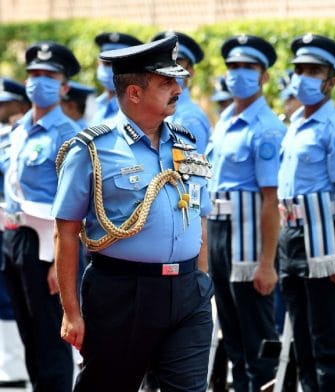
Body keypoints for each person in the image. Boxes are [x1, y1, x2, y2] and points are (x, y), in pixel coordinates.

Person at [53, 36, 214, 392]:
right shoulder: (92, 149)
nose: (178, 88)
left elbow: (199, 214)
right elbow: (66, 231)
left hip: (188, 293)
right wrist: (71, 310)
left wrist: (200, 279)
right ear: (135, 93)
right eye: (166, 82)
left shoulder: (186, 142)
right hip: (124, 293)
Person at [276, 33, 335, 392]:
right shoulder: (294, 123)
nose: (304, 77)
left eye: (314, 70)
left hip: (322, 238)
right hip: (290, 236)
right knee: (302, 342)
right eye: (299, 69)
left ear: (331, 79)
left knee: (326, 341)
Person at [1, 41, 80, 392]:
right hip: (15, 238)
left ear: (64, 87)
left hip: (48, 244)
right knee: (29, 335)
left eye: (49, 76)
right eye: (34, 74)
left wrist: (59, 264)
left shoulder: (68, 136)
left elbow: (76, 206)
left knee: (51, 340)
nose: (39, 81)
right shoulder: (19, 132)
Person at [207, 34, 284, 392]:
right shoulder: (224, 121)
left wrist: (267, 262)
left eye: (248, 68)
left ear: (264, 76)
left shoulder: (266, 128)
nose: (238, 74)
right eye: (233, 67)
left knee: (258, 339)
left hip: (250, 238)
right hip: (221, 233)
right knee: (233, 337)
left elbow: (272, 199)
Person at [0, 77, 30, 387]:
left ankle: (14, 368)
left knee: (13, 298)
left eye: (4, 103)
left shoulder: (18, 137)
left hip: (24, 228)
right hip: (7, 227)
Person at [152, 31, 211, 153]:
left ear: (191, 71)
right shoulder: (153, 110)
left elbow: (191, 171)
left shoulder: (189, 119)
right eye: (163, 60)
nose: (168, 67)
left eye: (177, 61)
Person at [91, 32, 142, 126]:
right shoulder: (92, 105)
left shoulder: (140, 108)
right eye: (106, 63)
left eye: (118, 65)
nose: (112, 69)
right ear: (98, 64)